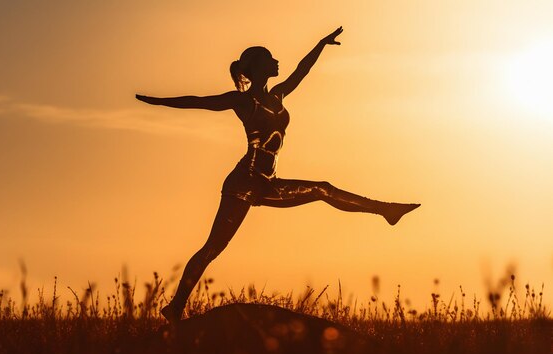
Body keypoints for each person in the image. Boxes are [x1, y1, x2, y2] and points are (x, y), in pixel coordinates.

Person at [135, 26, 420, 325]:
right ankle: (176, 306)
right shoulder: (242, 100)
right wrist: (155, 101)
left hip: (268, 183)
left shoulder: (279, 95)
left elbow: (302, 71)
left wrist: (321, 44)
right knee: (213, 248)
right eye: (270, 59)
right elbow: (196, 100)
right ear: (258, 69)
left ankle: (386, 210)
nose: (276, 62)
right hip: (243, 183)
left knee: (322, 188)